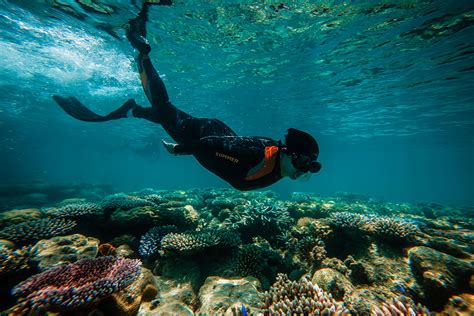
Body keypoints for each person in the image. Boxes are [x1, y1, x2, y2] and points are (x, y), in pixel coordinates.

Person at [53, 1, 322, 191]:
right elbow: (208, 145)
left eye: (309, 166)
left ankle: (134, 109)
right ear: (287, 152)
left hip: (219, 133)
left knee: (163, 113)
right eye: (302, 161)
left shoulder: (278, 165)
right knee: (164, 108)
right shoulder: (257, 156)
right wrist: (179, 150)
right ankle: (141, 51)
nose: (303, 169)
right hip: (202, 136)